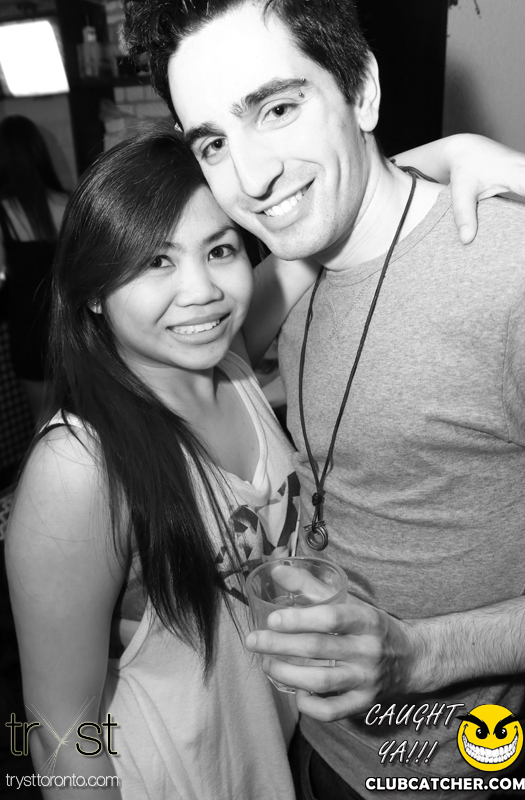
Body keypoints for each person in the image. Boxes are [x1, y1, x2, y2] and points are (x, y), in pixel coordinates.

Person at [122, 3, 525, 799]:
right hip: (311, 750)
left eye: (277, 109)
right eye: (213, 143)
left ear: (362, 90)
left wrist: (418, 656)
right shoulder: (279, 274)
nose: (250, 180)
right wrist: (446, 148)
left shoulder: (512, 274)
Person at [6, 129, 316, 799]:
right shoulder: (79, 468)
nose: (202, 291)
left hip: (275, 761)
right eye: (155, 261)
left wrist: (453, 154)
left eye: (220, 249)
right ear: (92, 290)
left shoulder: (231, 365)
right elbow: (60, 733)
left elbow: (325, 215)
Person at [0, 115, 68, 428]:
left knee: (43, 422)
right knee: (82, 418)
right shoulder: (68, 202)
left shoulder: (4, 213)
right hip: (68, 327)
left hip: (26, 331)